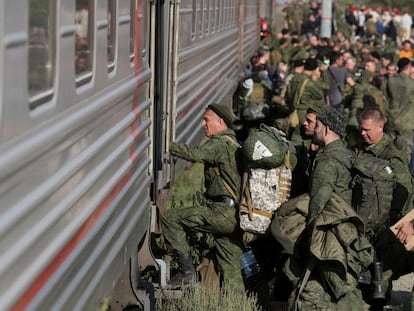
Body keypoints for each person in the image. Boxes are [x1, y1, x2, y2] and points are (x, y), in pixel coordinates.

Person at [161, 103, 245, 293]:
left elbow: (195, 154)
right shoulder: (233, 143)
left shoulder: (220, 143)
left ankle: (187, 274)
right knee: (231, 270)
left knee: (170, 218)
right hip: (235, 215)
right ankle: (237, 304)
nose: (202, 124)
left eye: (206, 120)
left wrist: (165, 145)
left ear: (220, 122)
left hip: (221, 213)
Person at [357, 107, 412, 224]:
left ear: (380, 127)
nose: (363, 133)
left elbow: (404, 191)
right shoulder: (361, 148)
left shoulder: (392, 155)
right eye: (361, 129)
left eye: (367, 130)